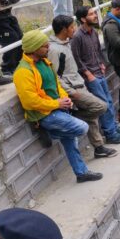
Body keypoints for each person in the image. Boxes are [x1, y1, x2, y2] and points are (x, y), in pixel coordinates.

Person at [13, 30, 103, 183]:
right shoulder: (23, 72)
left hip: (58, 108)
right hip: (45, 115)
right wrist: (56, 103)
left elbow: (56, 84)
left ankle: (81, 173)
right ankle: (47, 129)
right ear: (34, 48)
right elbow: (29, 101)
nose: (48, 48)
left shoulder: (45, 62)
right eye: (44, 46)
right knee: (82, 128)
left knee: (70, 140)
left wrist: (64, 98)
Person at [49, 15, 120, 157]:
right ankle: (74, 116)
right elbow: (55, 76)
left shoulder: (66, 43)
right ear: (64, 29)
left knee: (92, 117)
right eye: (71, 27)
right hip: (73, 89)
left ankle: (99, 148)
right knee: (101, 106)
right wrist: (71, 91)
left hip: (79, 83)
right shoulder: (54, 50)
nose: (74, 29)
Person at [71, 6, 120, 143]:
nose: (95, 15)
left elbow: (97, 50)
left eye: (95, 13)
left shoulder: (94, 32)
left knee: (108, 101)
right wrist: (88, 74)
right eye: (91, 14)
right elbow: (76, 58)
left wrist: (102, 64)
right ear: (83, 19)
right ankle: (110, 134)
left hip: (99, 72)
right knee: (103, 104)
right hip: (91, 77)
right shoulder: (77, 37)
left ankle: (113, 127)